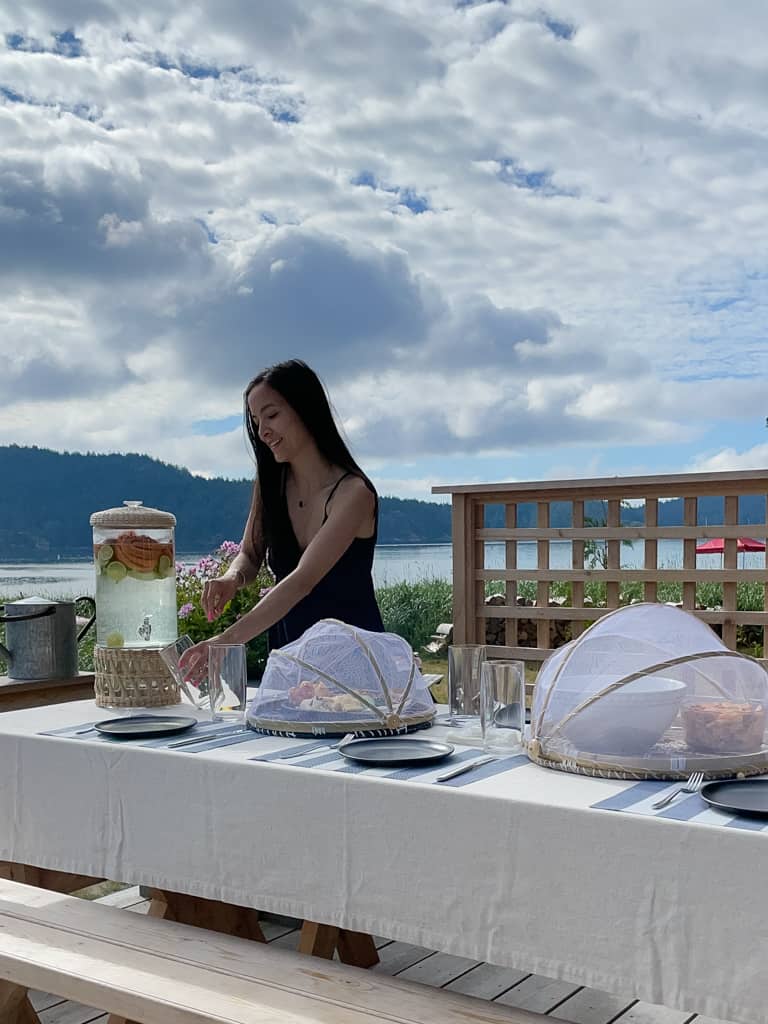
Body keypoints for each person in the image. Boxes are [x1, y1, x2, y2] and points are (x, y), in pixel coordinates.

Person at [179, 359, 384, 680]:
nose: (262, 431)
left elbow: (303, 581)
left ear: (306, 409)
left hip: (354, 664)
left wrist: (225, 642)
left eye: (272, 415)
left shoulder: (354, 494)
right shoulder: (270, 485)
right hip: (291, 662)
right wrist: (232, 578)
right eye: (256, 420)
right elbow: (249, 554)